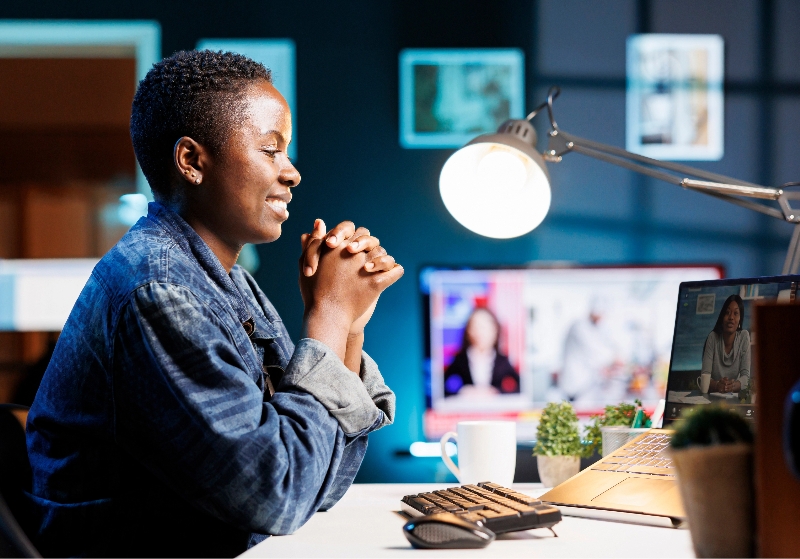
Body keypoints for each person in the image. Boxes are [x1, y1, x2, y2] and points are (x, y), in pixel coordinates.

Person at [24, 50, 403, 558]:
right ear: (192, 161)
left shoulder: (226, 281)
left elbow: (313, 481)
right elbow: (276, 496)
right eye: (271, 149)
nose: (292, 173)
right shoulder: (158, 292)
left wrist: (349, 325)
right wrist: (328, 317)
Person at [444, 307, 520, 397]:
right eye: (475, 327)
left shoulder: (503, 361)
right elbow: (444, 388)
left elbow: (520, 387)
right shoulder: (460, 360)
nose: (480, 332)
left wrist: (496, 392)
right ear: (468, 331)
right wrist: (463, 391)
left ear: (495, 330)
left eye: (485, 327)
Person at [701, 294, 750, 393]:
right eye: (727, 312)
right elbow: (705, 376)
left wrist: (733, 386)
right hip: (712, 399)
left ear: (740, 319)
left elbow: (746, 376)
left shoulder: (744, 336)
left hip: (732, 398)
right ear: (722, 318)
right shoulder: (713, 337)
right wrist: (717, 385)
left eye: (736, 313)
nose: (731, 317)